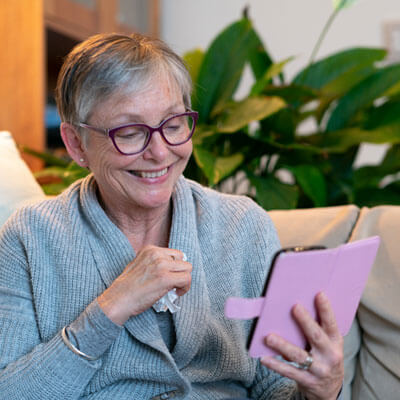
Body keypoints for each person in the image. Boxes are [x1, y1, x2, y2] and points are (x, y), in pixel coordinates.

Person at [0, 32, 343, 399]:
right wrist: (111, 307)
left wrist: (320, 391)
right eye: (131, 133)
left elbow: (275, 384)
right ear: (75, 144)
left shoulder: (244, 226)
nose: (161, 153)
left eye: (174, 125)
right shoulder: (29, 237)